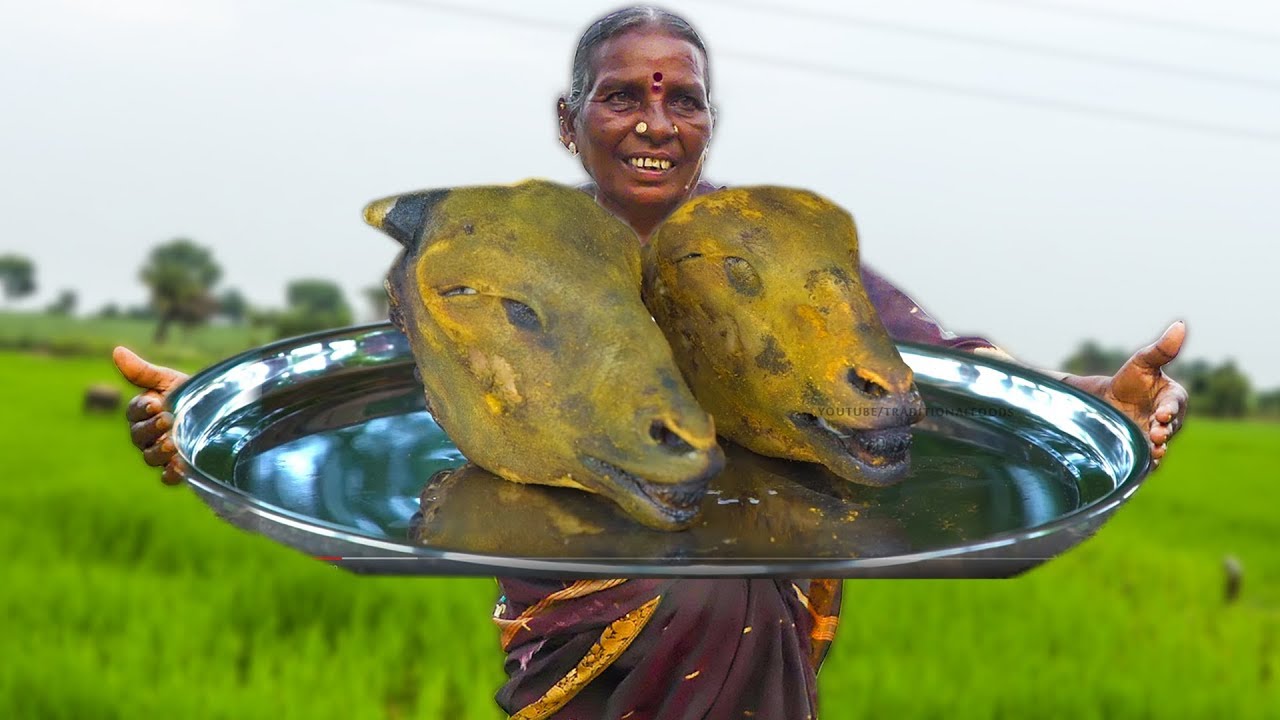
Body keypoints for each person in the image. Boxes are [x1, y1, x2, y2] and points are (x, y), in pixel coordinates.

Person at [113, 7, 1189, 718]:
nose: (653, 122)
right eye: (622, 94)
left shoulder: (770, 251)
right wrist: (206, 424)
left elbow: (943, 376)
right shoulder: (505, 268)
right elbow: (373, 411)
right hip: (582, 654)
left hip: (765, 647)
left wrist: (1096, 401)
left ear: (708, 123)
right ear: (567, 121)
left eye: (681, 99)